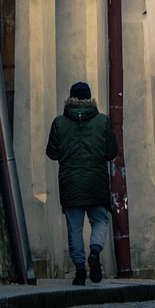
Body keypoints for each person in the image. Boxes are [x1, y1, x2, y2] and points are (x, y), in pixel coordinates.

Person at [46, 81, 118, 286]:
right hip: (97, 182)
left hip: (70, 183)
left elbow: (52, 153)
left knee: (74, 229)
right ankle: (94, 252)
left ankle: (79, 271)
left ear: (70, 98)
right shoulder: (103, 121)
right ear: (90, 98)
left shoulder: (59, 123)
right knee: (100, 221)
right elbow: (111, 152)